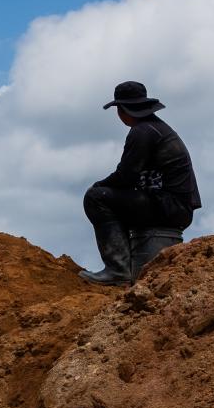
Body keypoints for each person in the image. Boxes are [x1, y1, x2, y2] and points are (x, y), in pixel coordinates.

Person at [80, 81, 201, 284]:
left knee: (95, 198)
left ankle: (118, 270)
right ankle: (126, 270)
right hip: (175, 208)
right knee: (115, 202)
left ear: (123, 110)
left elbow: (125, 176)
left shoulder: (143, 132)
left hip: (168, 207)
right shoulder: (156, 128)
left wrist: (99, 186)